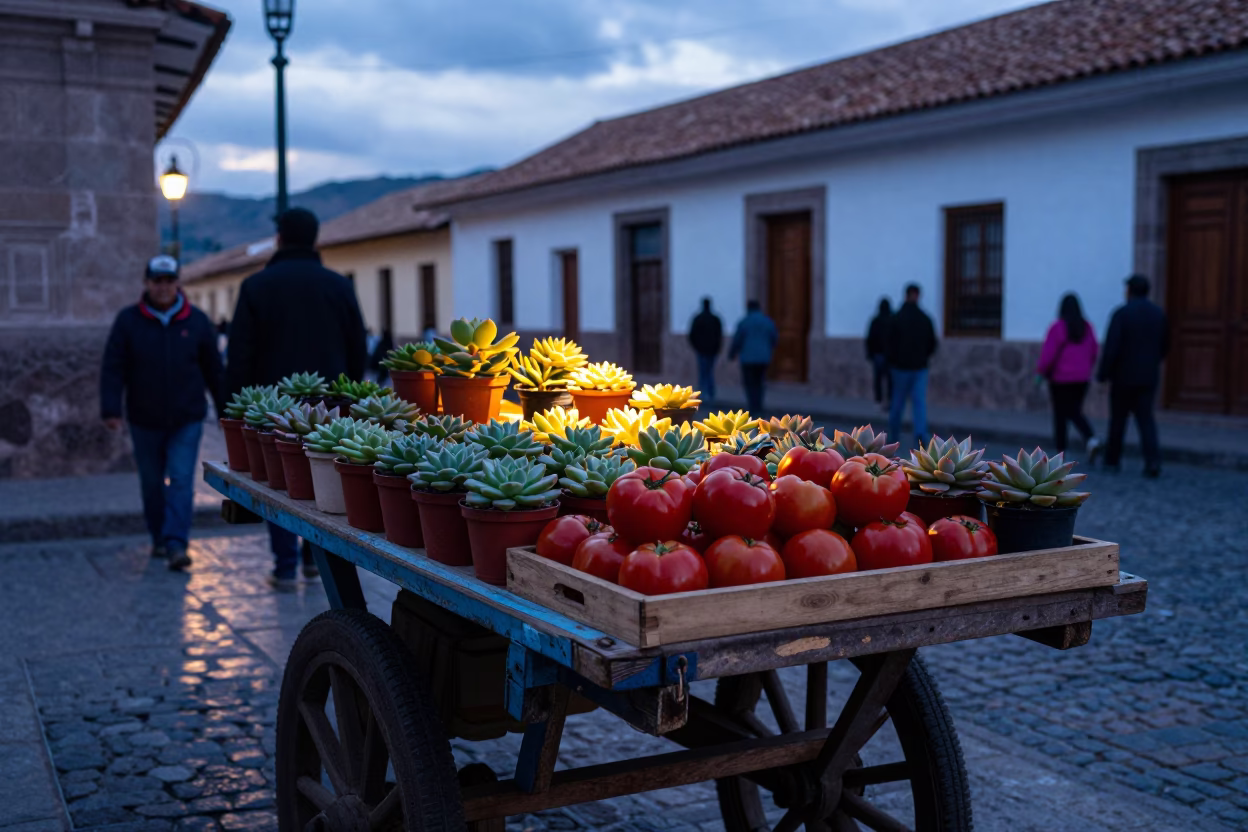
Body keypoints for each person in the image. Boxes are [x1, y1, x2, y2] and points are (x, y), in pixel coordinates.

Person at [227, 208, 368, 588]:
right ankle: (313, 559)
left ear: (279, 239)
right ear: (314, 239)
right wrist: (349, 396)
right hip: (329, 405)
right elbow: (358, 347)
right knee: (320, 477)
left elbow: (240, 354)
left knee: (280, 482)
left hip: (275, 406)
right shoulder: (338, 286)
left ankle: (285, 564)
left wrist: (237, 406)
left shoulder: (257, 287)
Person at [100, 255, 224, 572]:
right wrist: (111, 408)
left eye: (169, 281)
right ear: (147, 283)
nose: (163, 287)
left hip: (188, 419)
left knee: (182, 480)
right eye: (157, 281)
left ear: (178, 283)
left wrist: (225, 408)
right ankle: (159, 536)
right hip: (144, 419)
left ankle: (176, 543)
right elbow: (113, 369)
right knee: (151, 483)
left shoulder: (196, 321)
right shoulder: (128, 321)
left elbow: (214, 370)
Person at [1097, 274, 1168, 477]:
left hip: (1123, 377)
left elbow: (1112, 347)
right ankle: (1152, 462)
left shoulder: (1122, 314)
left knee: (1118, 420)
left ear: (1129, 291)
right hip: (1147, 376)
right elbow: (1165, 345)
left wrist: (1103, 374)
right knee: (1146, 420)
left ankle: (1112, 459)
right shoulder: (1158, 314)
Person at [1037, 294, 1101, 458]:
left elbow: (1048, 354)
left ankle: (1061, 451)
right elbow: (1094, 351)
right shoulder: (1087, 327)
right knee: (1075, 411)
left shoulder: (1058, 327)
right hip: (1081, 379)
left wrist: (1041, 372)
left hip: (1060, 380)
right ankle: (1091, 439)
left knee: (1061, 415)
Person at [886, 283, 937, 450]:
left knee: (897, 402)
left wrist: (892, 361)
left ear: (906, 295)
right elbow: (932, 344)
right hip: (919, 368)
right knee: (919, 403)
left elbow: (889, 343)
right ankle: (921, 437)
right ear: (918, 296)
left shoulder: (897, 318)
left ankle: (893, 437)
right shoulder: (925, 318)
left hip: (900, 368)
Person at [728, 300, 777, 414]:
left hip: (748, 358)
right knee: (760, 382)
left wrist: (732, 353)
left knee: (749, 383)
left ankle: (752, 405)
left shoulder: (744, 322)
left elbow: (737, 339)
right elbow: (774, 337)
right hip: (763, 358)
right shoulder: (767, 321)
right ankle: (759, 405)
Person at [688, 297, 723, 404]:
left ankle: (703, 393)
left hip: (702, 350)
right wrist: (717, 348)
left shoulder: (698, 318)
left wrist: (697, 347)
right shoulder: (715, 319)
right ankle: (710, 393)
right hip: (711, 350)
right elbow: (719, 335)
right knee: (709, 371)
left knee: (703, 372)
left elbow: (692, 335)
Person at [866, 298, 893, 411]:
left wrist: (870, 353)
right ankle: (889, 401)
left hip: (878, 355)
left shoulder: (875, 321)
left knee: (878, 379)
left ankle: (878, 401)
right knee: (890, 380)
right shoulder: (892, 321)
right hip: (890, 356)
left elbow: (870, 339)